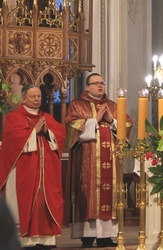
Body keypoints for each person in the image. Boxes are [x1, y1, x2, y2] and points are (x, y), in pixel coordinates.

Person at [64, 73, 133, 248]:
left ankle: (106, 235)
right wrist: (94, 121)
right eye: (95, 83)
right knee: (88, 194)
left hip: (111, 159)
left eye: (102, 83)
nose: (100, 86)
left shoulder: (113, 106)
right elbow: (71, 126)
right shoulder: (77, 105)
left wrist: (111, 121)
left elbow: (128, 125)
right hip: (87, 162)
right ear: (87, 87)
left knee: (110, 195)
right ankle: (87, 235)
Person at [0, 84, 65, 249]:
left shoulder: (47, 117)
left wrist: (48, 132)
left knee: (45, 200)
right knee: (26, 201)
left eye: (39, 96)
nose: (37, 99)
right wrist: (33, 132)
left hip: (46, 171)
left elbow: (60, 133)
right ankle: (25, 239)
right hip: (25, 170)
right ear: (23, 98)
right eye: (33, 96)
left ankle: (46, 238)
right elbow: (12, 139)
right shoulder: (14, 117)